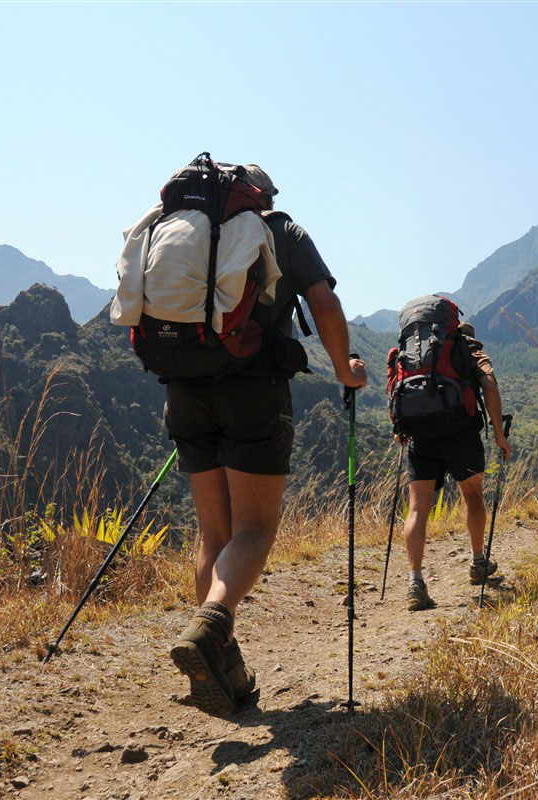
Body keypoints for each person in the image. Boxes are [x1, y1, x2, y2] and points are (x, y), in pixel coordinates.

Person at [166, 164, 367, 714]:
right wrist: (345, 370)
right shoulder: (281, 230)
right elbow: (323, 304)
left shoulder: (186, 230)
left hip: (183, 390)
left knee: (214, 535)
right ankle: (212, 624)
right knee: (252, 532)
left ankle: (223, 667)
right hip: (252, 392)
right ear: (263, 196)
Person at [398, 321, 512, 611]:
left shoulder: (417, 353)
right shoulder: (472, 353)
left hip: (421, 435)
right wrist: (499, 434)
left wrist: (400, 427)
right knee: (472, 496)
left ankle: (415, 581)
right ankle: (477, 561)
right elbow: (488, 384)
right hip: (461, 433)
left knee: (416, 508)